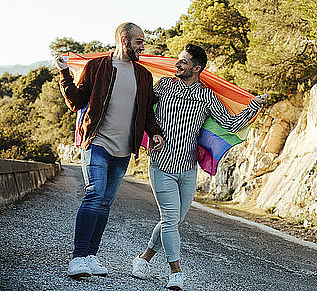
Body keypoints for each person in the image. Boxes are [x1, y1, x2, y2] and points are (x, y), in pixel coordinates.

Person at [131, 44, 268, 290]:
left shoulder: (206, 96)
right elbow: (143, 108)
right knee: (170, 219)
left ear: (197, 68)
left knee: (173, 221)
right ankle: (176, 273)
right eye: (178, 60)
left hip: (187, 169)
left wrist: (254, 106)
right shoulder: (164, 86)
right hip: (161, 163)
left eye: (183, 61)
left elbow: (231, 123)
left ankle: (144, 258)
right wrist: (151, 133)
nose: (177, 64)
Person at [54, 22, 165, 279]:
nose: (143, 46)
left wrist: (155, 133)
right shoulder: (97, 67)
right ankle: (78, 258)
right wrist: (64, 74)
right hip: (97, 142)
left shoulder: (144, 75)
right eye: (139, 42)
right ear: (124, 40)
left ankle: (91, 256)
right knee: (94, 195)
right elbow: (77, 102)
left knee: (105, 202)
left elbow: (147, 111)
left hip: (123, 149)